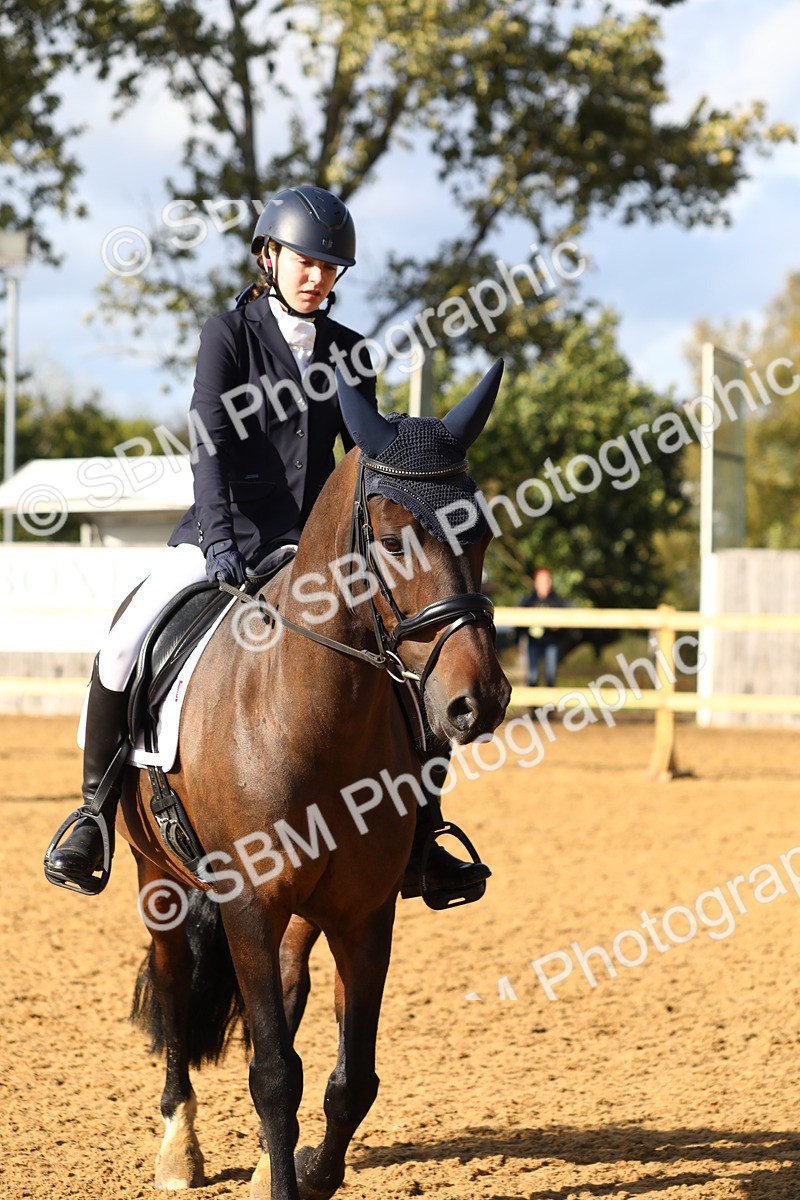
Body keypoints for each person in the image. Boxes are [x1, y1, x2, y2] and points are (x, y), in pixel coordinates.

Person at [45, 183, 489, 904]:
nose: (318, 276)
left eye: (330, 267)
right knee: (125, 642)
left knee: (407, 668)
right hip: (222, 538)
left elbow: (364, 461)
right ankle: (93, 813)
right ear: (270, 257)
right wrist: (220, 544)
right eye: (306, 261)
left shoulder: (351, 351)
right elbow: (209, 447)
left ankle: (425, 830)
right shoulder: (228, 335)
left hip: (315, 554)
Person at [519, 567, 568, 688]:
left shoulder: (556, 601)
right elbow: (520, 622)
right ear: (535, 582)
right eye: (541, 580)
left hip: (551, 642)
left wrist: (558, 626)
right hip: (533, 642)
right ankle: (534, 706)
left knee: (550, 675)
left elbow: (564, 621)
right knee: (532, 675)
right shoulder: (528, 601)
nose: (544, 583)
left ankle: (549, 706)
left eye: (546, 580)